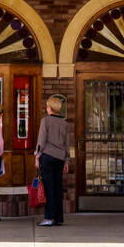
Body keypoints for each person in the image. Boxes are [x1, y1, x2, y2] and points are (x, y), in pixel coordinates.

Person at [34, 94, 73, 226]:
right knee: (57, 188)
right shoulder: (64, 123)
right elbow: (67, 144)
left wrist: (37, 157)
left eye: (47, 106)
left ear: (49, 107)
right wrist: (67, 160)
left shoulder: (45, 121)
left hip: (48, 157)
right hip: (60, 158)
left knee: (48, 188)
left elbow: (41, 141)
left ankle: (49, 217)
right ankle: (58, 218)